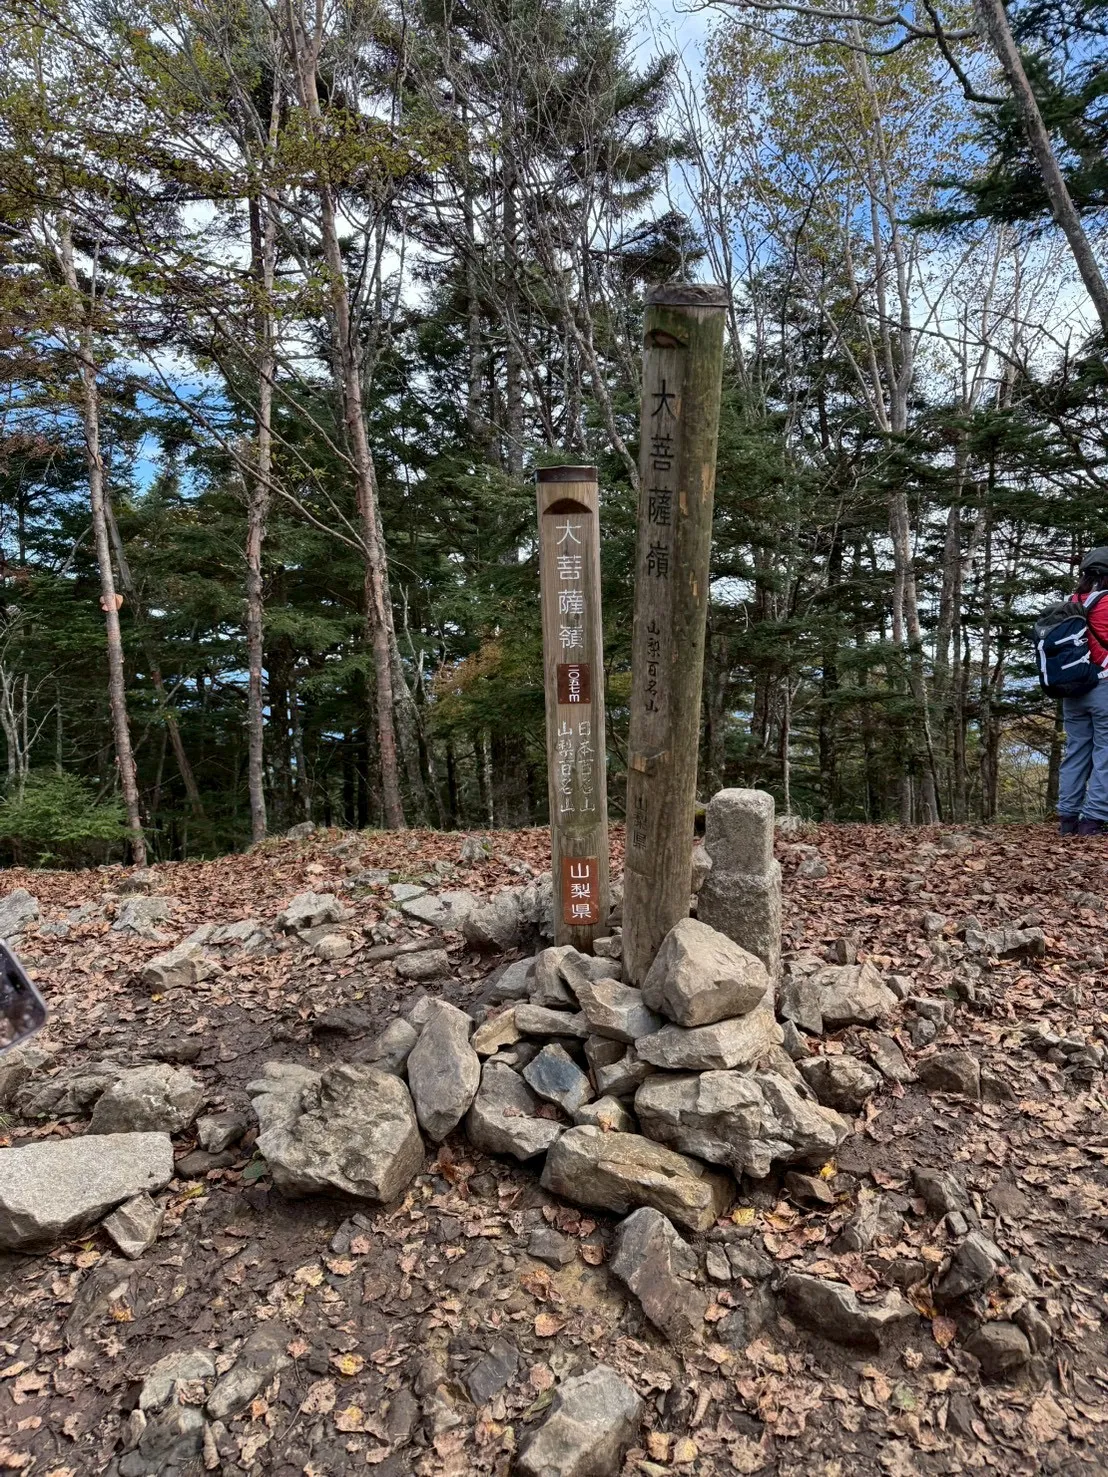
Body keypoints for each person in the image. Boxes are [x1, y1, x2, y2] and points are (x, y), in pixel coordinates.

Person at [1058, 547, 1108, 835]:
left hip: (1074, 687)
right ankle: (1093, 820)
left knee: (1075, 751)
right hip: (1103, 684)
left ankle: (1067, 818)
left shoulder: (1073, 600)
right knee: (1105, 753)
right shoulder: (1106, 602)